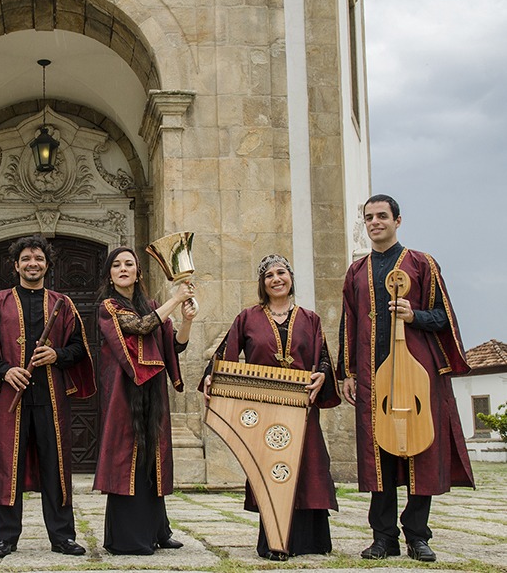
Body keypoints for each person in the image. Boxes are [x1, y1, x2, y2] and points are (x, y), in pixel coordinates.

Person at [339, 194, 474, 563]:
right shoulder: (356, 272)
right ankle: (383, 538)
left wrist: (414, 316)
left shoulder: (421, 263)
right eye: (369, 217)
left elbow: (444, 317)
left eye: (382, 216)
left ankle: (417, 535)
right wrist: (348, 373)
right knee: (378, 455)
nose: (375, 222)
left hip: (418, 376)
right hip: (371, 377)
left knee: (420, 450)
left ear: (397, 221)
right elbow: (349, 323)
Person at [0, 234, 95, 558]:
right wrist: (6, 370)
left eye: (38, 259)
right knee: (7, 467)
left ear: (47, 265)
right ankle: (5, 538)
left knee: (56, 467)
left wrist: (57, 355)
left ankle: (62, 537)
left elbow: (79, 347)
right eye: (26, 259)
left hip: (52, 398)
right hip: (11, 398)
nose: (32, 264)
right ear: (16, 265)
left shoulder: (63, 303)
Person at [203, 254, 339, 560]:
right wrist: (213, 376)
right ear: (262, 284)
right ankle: (275, 540)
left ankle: (311, 540)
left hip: (301, 405)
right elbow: (225, 353)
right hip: (261, 406)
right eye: (269, 276)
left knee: (308, 466)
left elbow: (324, 359)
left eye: (281, 273)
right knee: (271, 470)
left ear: (290, 277)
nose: (276, 279)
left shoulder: (311, 319)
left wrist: (322, 375)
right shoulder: (247, 318)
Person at [93, 247, 195, 555]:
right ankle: (129, 538)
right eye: (116, 265)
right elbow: (140, 327)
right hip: (124, 391)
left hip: (152, 390)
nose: (123, 269)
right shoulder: (108, 307)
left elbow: (173, 345)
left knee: (153, 458)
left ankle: (159, 530)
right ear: (110, 276)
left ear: (138, 273)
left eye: (129, 264)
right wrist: (175, 299)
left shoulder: (150, 306)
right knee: (129, 457)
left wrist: (187, 320)